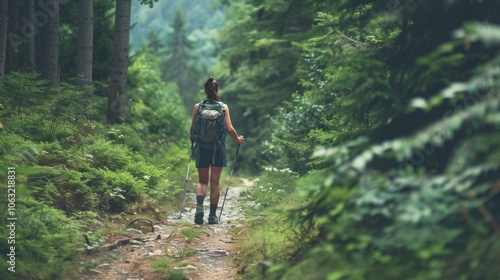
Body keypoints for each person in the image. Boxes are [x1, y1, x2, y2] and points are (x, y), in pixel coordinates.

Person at [190, 76, 244, 225]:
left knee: (202, 181)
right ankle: (212, 217)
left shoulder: (198, 106)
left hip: (202, 148)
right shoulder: (223, 107)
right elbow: (229, 128)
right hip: (217, 149)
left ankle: (199, 208)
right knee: (214, 182)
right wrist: (238, 140)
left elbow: (192, 129)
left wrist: (193, 139)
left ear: (205, 90)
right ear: (217, 90)